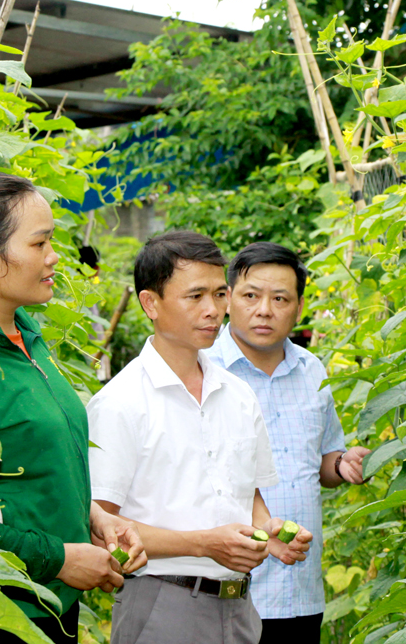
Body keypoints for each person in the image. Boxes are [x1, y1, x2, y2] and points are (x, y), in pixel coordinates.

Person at [0, 170, 146, 644]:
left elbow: (39, 466)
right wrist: (58, 558)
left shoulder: (26, 336)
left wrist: (92, 518)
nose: (54, 257)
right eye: (39, 244)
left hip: (49, 608)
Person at [86, 231, 313, 644]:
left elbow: (249, 495)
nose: (214, 310)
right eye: (195, 297)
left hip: (240, 609)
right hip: (161, 605)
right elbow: (100, 527)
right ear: (150, 304)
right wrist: (203, 544)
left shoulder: (238, 394)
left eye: (220, 294)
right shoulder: (119, 403)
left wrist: (269, 532)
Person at [204, 242, 371, 644]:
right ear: (228, 300)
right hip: (226, 591)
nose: (265, 310)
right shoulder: (204, 369)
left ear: (298, 308)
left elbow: (324, 461)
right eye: (250, 296)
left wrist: (343, 465)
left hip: (300, 593)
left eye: (280, 298)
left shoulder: (311, 370)